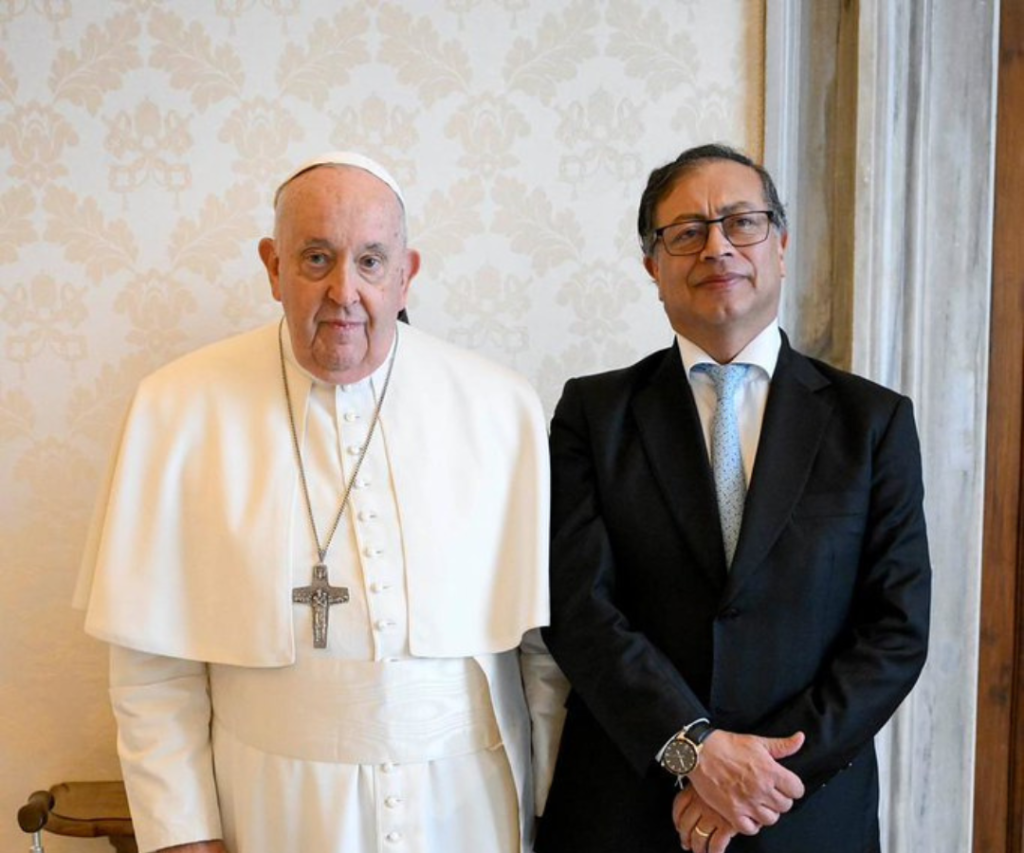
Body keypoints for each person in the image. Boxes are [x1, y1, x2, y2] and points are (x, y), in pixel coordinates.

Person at [75, 151, 567, 853]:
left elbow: (540, 652)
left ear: (407, 273)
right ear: (273, 267)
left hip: (467, 807)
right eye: (316, 258)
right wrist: (182, 835)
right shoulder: (177, 407)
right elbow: (153, 668)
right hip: (272, 804)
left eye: (371, 261)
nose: (345, 290)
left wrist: (550, 804)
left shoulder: (500, 406)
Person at [534, 143, 931, 853]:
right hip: (626, 808)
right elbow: (578, 609)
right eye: (685, 232)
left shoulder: (872, 422)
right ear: (653, 267)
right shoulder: (592, 414)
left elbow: (895, 631)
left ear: (779, 244)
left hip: (805, 814)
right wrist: (693, 751)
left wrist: (762, 778)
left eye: (741, 223)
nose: (717, 247)